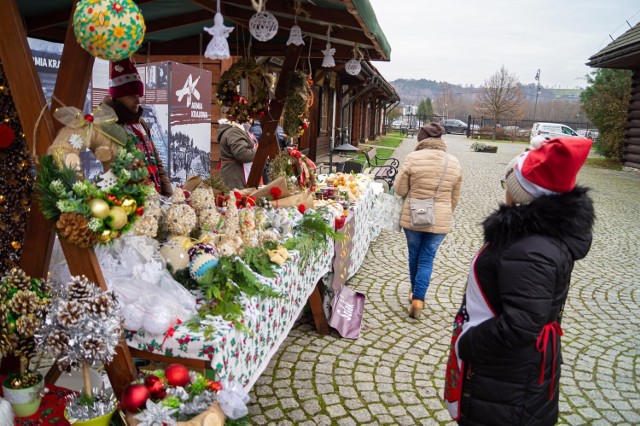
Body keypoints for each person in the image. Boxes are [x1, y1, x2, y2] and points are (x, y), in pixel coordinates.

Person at [443, 137, 595, 425]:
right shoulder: (539, 239)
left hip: (507, 378)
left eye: (508, 185)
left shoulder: (529, 249)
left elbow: (521, 324)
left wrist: (467, 343)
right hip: (518, 371)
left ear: (522, 194)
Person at [393, 122, 463, 319]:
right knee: (427, 259)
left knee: (414, 255)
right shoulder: (454, 162)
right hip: (441, 216)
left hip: (415, 215)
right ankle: (418, 299)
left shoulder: (413, 158)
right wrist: (445, 213)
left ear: (421, 140)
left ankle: (415, 294)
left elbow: (400, 190)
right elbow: (454, 198)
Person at [103, 58, 172, 197]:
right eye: (131, 96)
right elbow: (114, 169)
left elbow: (156, 159)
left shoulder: (141, 123)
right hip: (132, 199)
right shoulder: (110, 127)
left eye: (138, 96)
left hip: (155, 196)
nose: (138, 101)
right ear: (118, 97)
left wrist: (167, 192)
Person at [217, 119, 256, 189]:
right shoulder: (234, 131)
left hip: (235, 177)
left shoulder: (236, 130)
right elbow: (242, 154)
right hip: (234, 179)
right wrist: (260, 153)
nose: (251, 120)